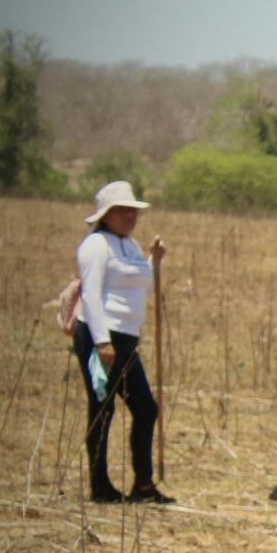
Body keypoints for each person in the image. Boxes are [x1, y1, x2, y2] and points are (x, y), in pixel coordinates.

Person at [71, 181, 172, 504]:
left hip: (127, 340)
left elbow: (143, 286)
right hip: (100, 338)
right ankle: (100, 486)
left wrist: (155, 260)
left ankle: (143, 485)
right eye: (122, 211)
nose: (130, 216)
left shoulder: (130, 245)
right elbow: (91, 295)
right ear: (106, 214)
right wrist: (102, 342)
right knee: (102, 409)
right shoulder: (96, 245)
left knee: (146, 409)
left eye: (133, 211)